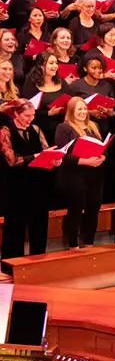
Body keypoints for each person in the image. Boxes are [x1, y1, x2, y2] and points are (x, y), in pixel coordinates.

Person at [0, 99, 51, 258]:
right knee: (15, 226)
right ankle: (11, 264)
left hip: (38, 183)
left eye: (33, 115)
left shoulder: (36, 129)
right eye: (27, 116)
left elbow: (47, 150)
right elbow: (12, 160)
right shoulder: (5, 130)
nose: (31, 119)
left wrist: (54, 159)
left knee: (39, 224)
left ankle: (38, 260)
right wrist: (34, 156)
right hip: (16, 185)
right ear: (16, 113)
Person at [55, 97, 106, 249]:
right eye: (79, 109)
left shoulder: (93, 126)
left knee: (93, 208)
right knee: (76, 209)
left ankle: (89, 242)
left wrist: (103, 157)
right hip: (75, 175)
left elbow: (103, 148)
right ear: (71, 111)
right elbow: (62, 154)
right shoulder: (64, 128)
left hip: (94, 174)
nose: (83, 112)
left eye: (84, 108)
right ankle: (73, 244)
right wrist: (85, 161)